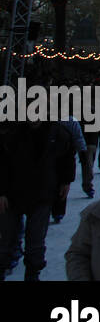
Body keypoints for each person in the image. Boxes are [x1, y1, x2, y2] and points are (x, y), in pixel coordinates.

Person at [0, 120, 76, 281]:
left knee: (35, 239)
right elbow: (2, 163)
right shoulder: (11, 133)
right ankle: (5, 263)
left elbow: (67, 158)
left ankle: (32, 273)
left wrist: (66, 181)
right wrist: (2, 192)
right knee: (7, 236)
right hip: (13, 193)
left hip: (43, 193)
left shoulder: (58, 133)